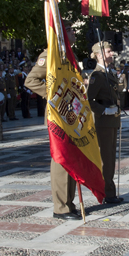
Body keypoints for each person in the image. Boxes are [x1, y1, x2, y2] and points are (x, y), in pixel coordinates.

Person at [25, 23, 81, 220]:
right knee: (61, 160)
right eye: (70, 30)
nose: (74, 33)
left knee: (71, 159)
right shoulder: (49, 55)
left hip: (72, 116)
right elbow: (30, 81)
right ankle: (61, 207)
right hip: (58, 115)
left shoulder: (69, 56)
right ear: (60, 33)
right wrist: (55, 95)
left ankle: (69, 202)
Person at [87, 41, 123, 204]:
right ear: (99, 55)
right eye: (109, 51)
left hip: (112, 121)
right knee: (106, 158)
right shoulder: (97, 75)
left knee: (110, 158)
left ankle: (110, 191)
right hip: (103, 122)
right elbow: (89, 100)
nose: (112, 54)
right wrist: (104, 110)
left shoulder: (110, 73)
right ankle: (107, 193)